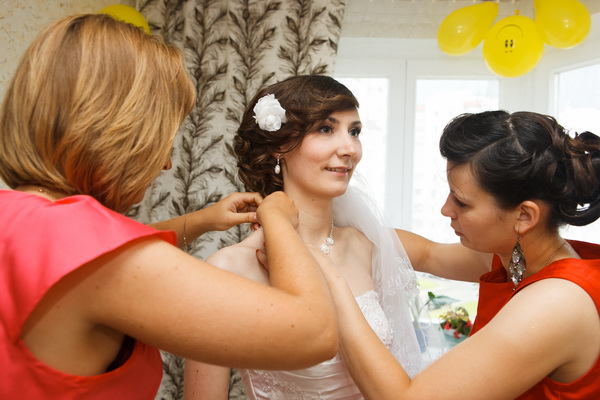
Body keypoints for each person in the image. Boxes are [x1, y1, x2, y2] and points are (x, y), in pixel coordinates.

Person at [0, 14, 340, 399]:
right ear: (119, 131)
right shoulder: (101, 260)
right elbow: (315, 332)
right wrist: (277, 221)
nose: (166, 163)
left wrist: (201, 221)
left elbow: (72, 252)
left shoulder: (24, 216)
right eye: (162, 138)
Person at [322, 110, 600, 399]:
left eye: (462, 202)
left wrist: (336, 284)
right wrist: (337, 234)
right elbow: (429, 254)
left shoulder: (558, 301)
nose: (446, 210)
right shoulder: (520, 255)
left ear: (524, 216)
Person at [185, 75, 427, 400]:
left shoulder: (364, 246)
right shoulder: (227, 270)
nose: (350, 149)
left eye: (354, 131)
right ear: (280, 146)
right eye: (326, 129)